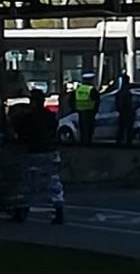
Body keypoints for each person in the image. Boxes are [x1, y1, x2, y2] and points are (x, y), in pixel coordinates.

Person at [14, 89, 66, 225]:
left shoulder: (28, 117)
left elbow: (20, 131)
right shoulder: (49, 116)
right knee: (54, 183)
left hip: (33, 151)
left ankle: (22, 211)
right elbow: (53, 129)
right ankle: (58, 211)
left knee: (26, 183)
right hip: (50, 151)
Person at [73, 74, 98, 145]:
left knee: (82, 128)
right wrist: (95, 110)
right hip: (90, 111)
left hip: (80, 111)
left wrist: (75, 108)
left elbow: (72, 100)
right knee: (89, 128)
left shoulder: (78, 89)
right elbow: (97, 100)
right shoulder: (91, 89)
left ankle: (83, 142)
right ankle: (88, 142)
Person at [115, 74, 136, 146]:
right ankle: (127, 142)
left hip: (124, 112)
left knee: (122, 128)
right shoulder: (127, 90)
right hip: (128, 111)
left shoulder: (122, 90)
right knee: (127, 128)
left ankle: (121, 141)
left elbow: (119, 103)